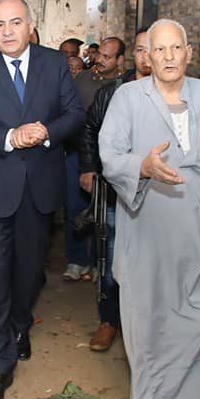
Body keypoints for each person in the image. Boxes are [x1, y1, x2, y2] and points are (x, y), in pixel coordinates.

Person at [99, 19, 200, 399]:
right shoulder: (128, 98)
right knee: (151, 339)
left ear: (189, 53)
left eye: (176, 48)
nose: (168, 57)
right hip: (150, 243)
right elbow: (109, 156)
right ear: (147, 56)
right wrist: (142, 166)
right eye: (159, 49)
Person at [0, 0, 84, 399]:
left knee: (28, 274)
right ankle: (0, 365)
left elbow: (74, 114)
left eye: (14, 23)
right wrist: (9, 137)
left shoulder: (54, 63)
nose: (7, 31)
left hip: (38, 188)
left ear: (30, 26)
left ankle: (20, 323)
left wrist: (46, 131)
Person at [78, 28, 152, 352]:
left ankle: (146, 326)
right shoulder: (112, 92)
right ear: (131, 56)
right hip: (115, 191)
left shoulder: (176, 96)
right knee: (110, 256)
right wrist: (89, 167)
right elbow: (89, 129)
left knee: (151, 261)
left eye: (153, 49)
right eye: (140, 50)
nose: (147, 57)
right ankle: (109, 321)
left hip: (158, 195)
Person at [63, 37, 127, 282]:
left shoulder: (125, 86)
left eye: (107, 57)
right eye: (99, 53)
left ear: (120, 60)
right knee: (75, 207)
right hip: (76, 154)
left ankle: (102, 263)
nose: (99, 59)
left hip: (109, 158)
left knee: (106, 214)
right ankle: (77, 260)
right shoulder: (82, 79)